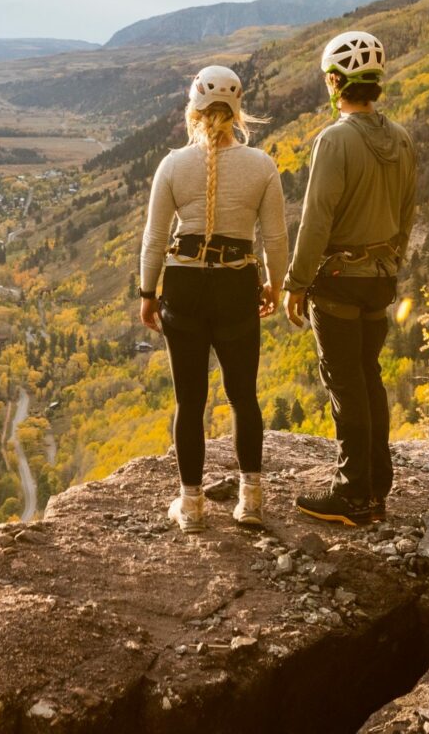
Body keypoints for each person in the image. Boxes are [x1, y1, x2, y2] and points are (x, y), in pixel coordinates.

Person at [138, 65, 287, 532]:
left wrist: (147, 292)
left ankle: (193, 506)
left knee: (190, 401)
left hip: (183, 286)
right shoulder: (261, 165)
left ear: (193, 109)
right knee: (244, 397)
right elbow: (276, 239)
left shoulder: (173, 165)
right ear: (238, 110)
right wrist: (274, 286)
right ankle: (252, 501)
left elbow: (155, 238)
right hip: (235, 285)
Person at [282, 30, 416, 527]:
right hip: (380, 277)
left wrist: (295, 283)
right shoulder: (400, 138)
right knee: (370, 378)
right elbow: (407, 211)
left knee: (345, 385)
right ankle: (378, 486)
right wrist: (391, 261)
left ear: (336, 81)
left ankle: (352, 492)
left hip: (338, 278)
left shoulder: (334, 139)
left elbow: (317, 219)